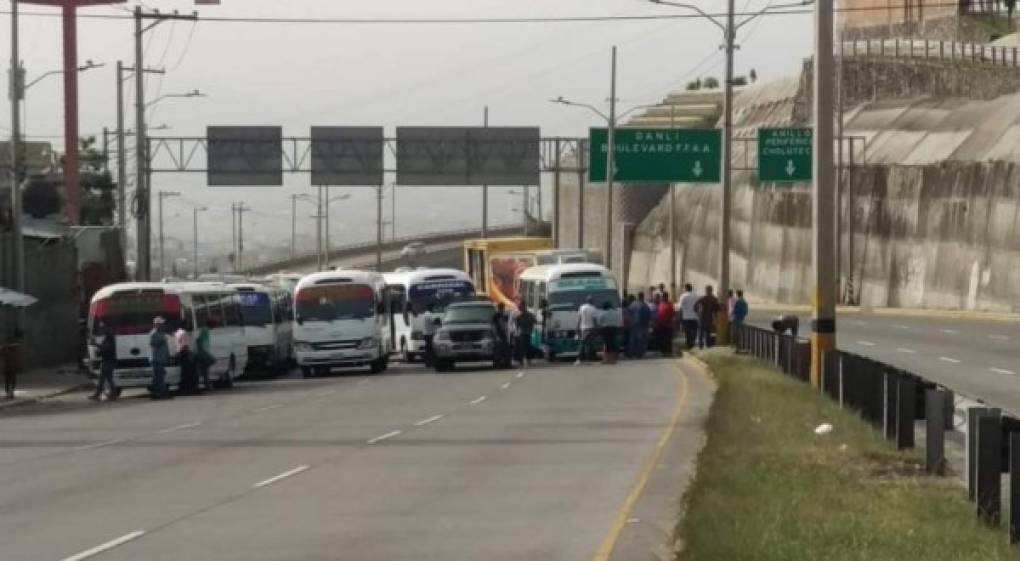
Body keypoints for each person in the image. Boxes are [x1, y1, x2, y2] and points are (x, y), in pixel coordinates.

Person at [90, 322, 119, 401]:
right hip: (108, 360)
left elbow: (106, 348)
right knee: (108, 378)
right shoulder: (108, 337)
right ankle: (112, 394)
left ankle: (98, 394)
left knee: (102, 378)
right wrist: (98, 346)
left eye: (102, 328)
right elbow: (104, 348)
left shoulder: (109, 337)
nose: (101, 330)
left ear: (106, 328)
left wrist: (96, 345)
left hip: (108, 361)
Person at [149, 317, 172, 400]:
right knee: (159, 377)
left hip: (161, 358)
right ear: (157, 325)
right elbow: (152, 343)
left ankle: (156, 394)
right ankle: (161, 394)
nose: (164, 325)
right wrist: (161, 340)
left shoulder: (161, 333)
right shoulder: (154, 333)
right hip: (157, 359)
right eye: (162, 324)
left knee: (158, 377)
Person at [575, 296, 600, 365]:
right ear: (592, 301)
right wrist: (596, 329)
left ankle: (579, 359)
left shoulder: (582, 307)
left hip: (583, 328)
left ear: (586, 300)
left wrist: (577, 327)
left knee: (582, 344)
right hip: (591, 328)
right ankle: (587, 360)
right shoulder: (594, 309)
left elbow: (579, 318)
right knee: (589, 345)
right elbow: (595, 321)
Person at [175, 322, 197, 395]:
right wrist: (190, 355)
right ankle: (187, 390)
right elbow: (185, 346)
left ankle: (185, 389)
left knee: (186, 373)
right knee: (187, 373)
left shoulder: (180, 333)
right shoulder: (184, 334)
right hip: (185, 354)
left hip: (183, 354)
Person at [514, 301, 537, 367]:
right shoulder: (519, 316)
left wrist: (530, 325)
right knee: (522, 347)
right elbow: (517, 325)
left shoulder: (529, 315)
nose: (521, 308)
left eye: (522, 307)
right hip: (522, 333)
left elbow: (535, 321)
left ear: (524, 307)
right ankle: (522, 360)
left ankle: (528, 359)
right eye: (521, 307)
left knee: (527, 347)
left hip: (527, 333)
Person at [2, 330, 23, 400]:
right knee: (12, 380)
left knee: (7, 380)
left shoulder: (5, 348)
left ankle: (9, 393)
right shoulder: (16, 348)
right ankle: (11, 392)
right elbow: (18, 359)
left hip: (7, 367)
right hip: (12, 367)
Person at [628, 292, 650, 358]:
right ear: (642, 297)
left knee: (634, 340)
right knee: (641, 340)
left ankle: (633, 353)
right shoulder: (646, 305)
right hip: (643, 325)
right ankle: (639, 353)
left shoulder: (633, 304)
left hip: (635, 324)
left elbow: (629, 312)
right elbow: (649, 315)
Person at [677, 284, 699, 350]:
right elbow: (699, 306)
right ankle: (692, 344)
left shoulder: (683, 296)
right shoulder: (696, 296)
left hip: (686, 317)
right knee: (694, 332)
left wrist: (680, 318)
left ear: (685, 288)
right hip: (695, 317)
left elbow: (680, 307)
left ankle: (689, 345)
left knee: (688, 332)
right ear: (691, 288)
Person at [492, 303, 512, 368]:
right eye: (501, 308)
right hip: (499, 334)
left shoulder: (504, 315)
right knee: (498, 350)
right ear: (499, 308)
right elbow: (494, 326)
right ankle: (497, 364)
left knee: (506, 349)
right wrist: (496, 336)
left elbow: (506, 325)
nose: (502, 309)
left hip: (504, 334)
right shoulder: (496, 316)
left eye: (503, 308)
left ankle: (506, 363)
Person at [196, 323, 214, 391]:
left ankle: (207, 385)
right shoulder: (204, 330)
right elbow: (199, 340)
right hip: (203, 353)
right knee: (203, 370)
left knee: (204, 371)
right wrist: (202, 350)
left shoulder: (206, 330)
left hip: (204, 352)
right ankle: (207, 385)